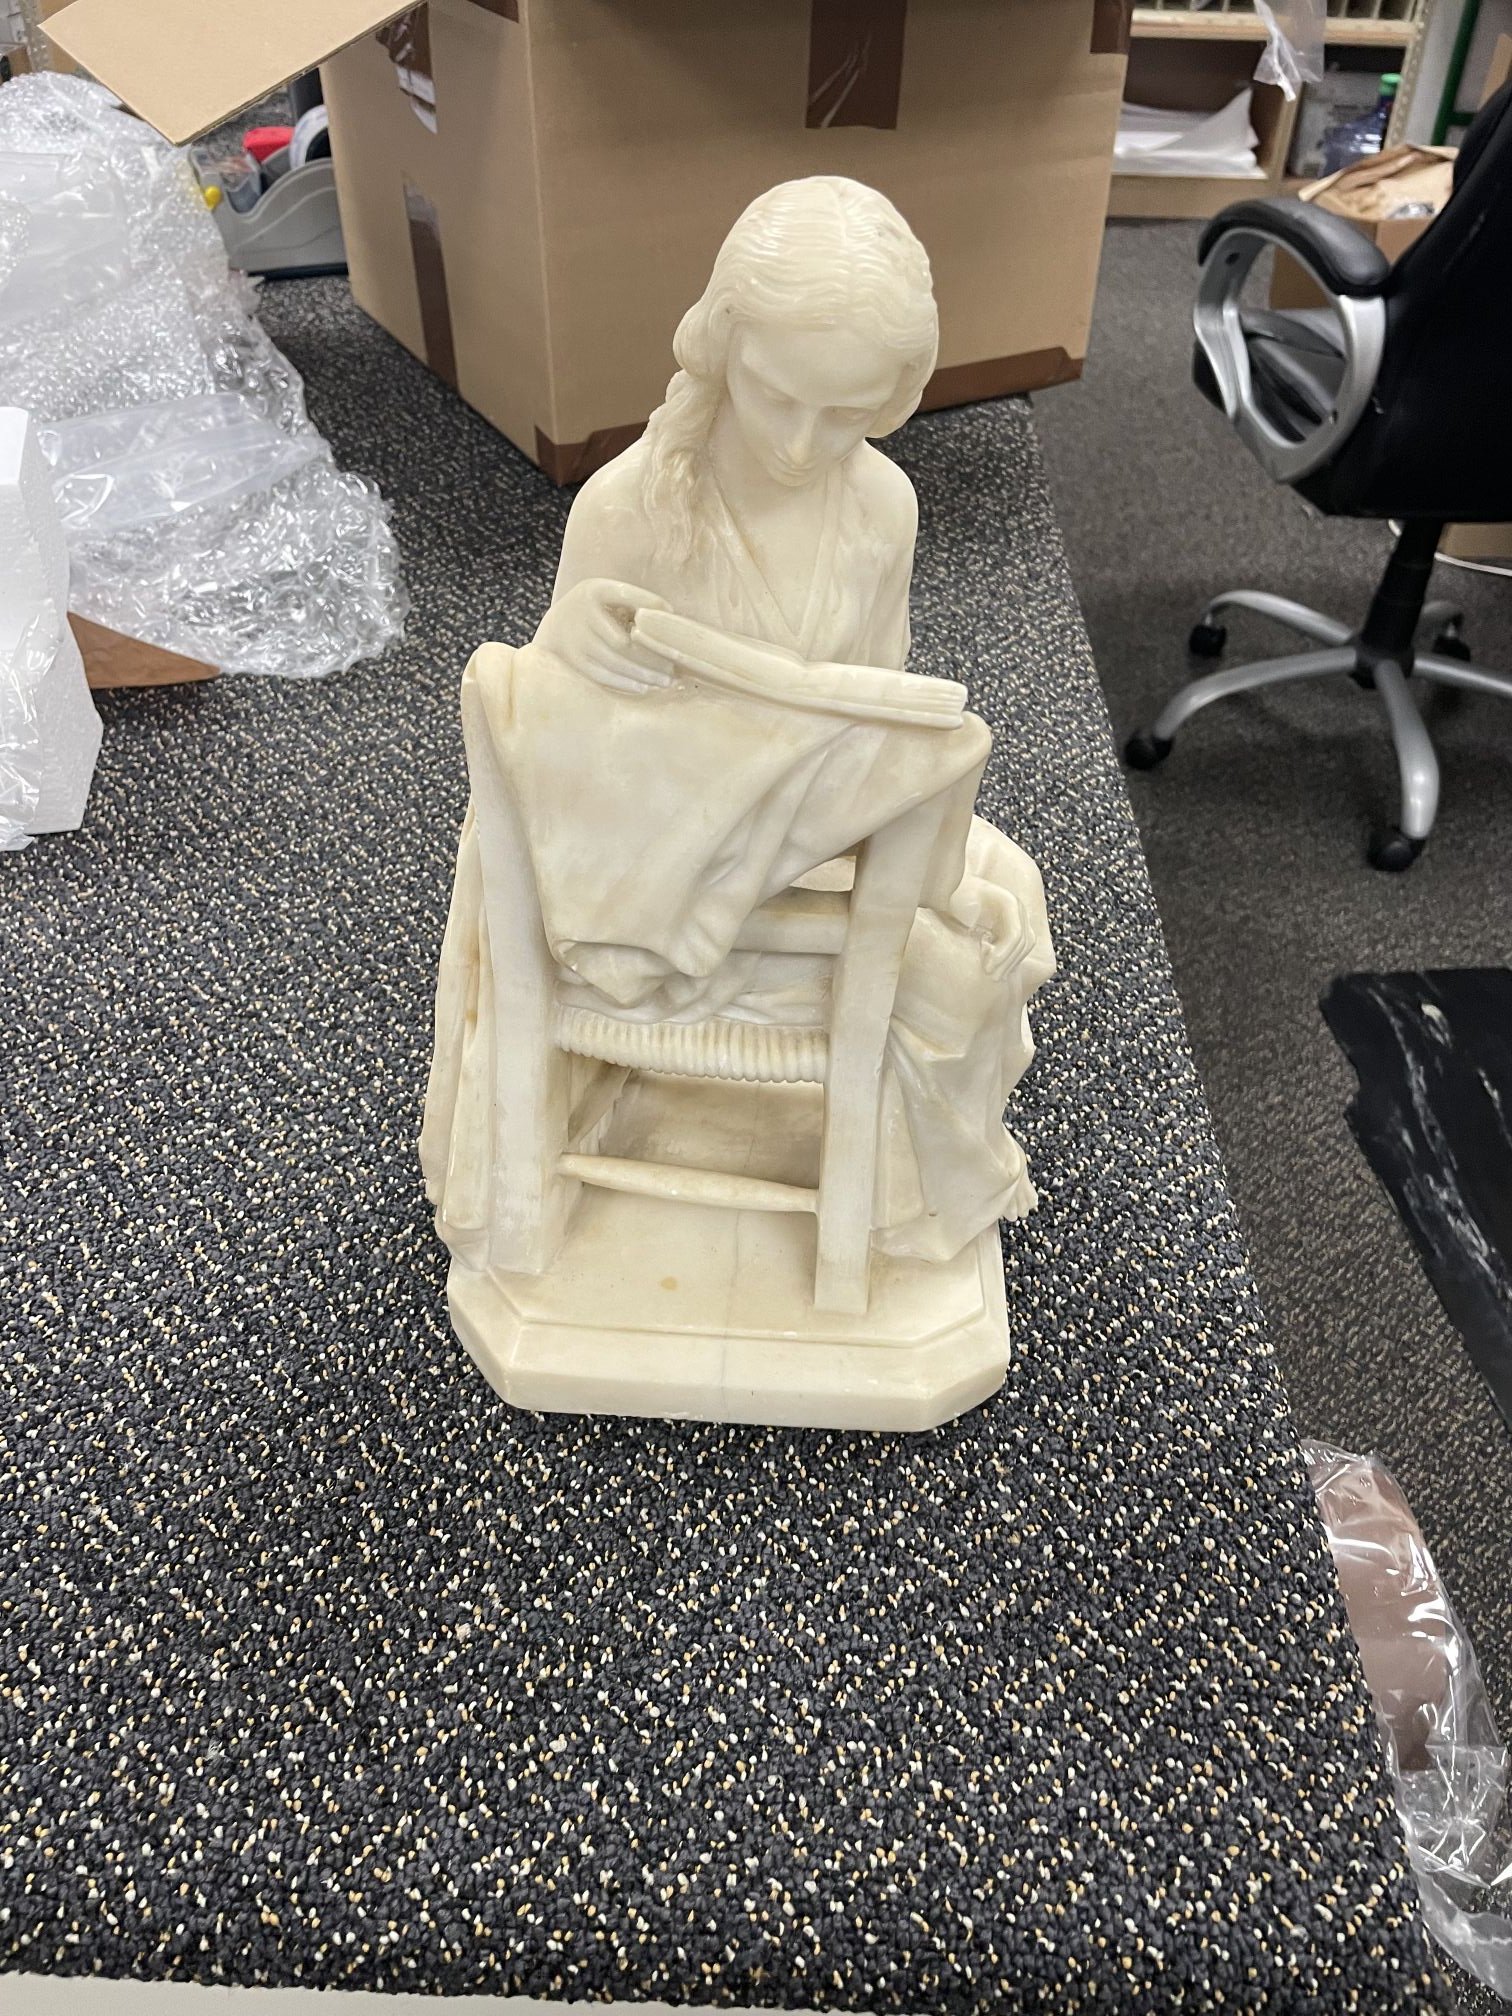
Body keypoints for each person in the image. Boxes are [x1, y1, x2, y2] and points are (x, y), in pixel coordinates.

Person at [424, 176, 1054, 1269]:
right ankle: (896, 1192)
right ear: (723, 347)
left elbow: (875, 703)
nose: (803, 443)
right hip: (654, 880)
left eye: (845, 412)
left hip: (815, 840)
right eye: (777, 396)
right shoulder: (631, 505)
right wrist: (573, 650)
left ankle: (894, 1191)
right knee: (950, 957)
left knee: (1013, 891)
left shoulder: (882, 509)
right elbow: (541, 745)